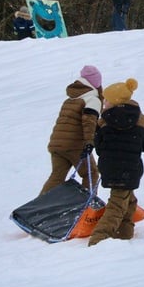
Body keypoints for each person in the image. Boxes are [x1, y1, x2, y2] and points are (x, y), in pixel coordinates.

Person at [88, 78, 144, 246]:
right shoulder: (141, 119)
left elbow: (99, 146)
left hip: (110, 167)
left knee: (122, 203)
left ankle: (100, 239)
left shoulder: (103, 121)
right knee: (123, 200)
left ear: (116, 102)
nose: (104, 104)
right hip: (131, 168)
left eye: (106, 100)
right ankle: (117, 236)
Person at [39, 65, 103, 195]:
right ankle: (86, 207)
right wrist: (89, 142)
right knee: (91, 173)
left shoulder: (70, 99)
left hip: (56, 144)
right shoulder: (92, 99)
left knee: (57, 176)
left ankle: (38, 209)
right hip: (74, 145)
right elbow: (89, 122)